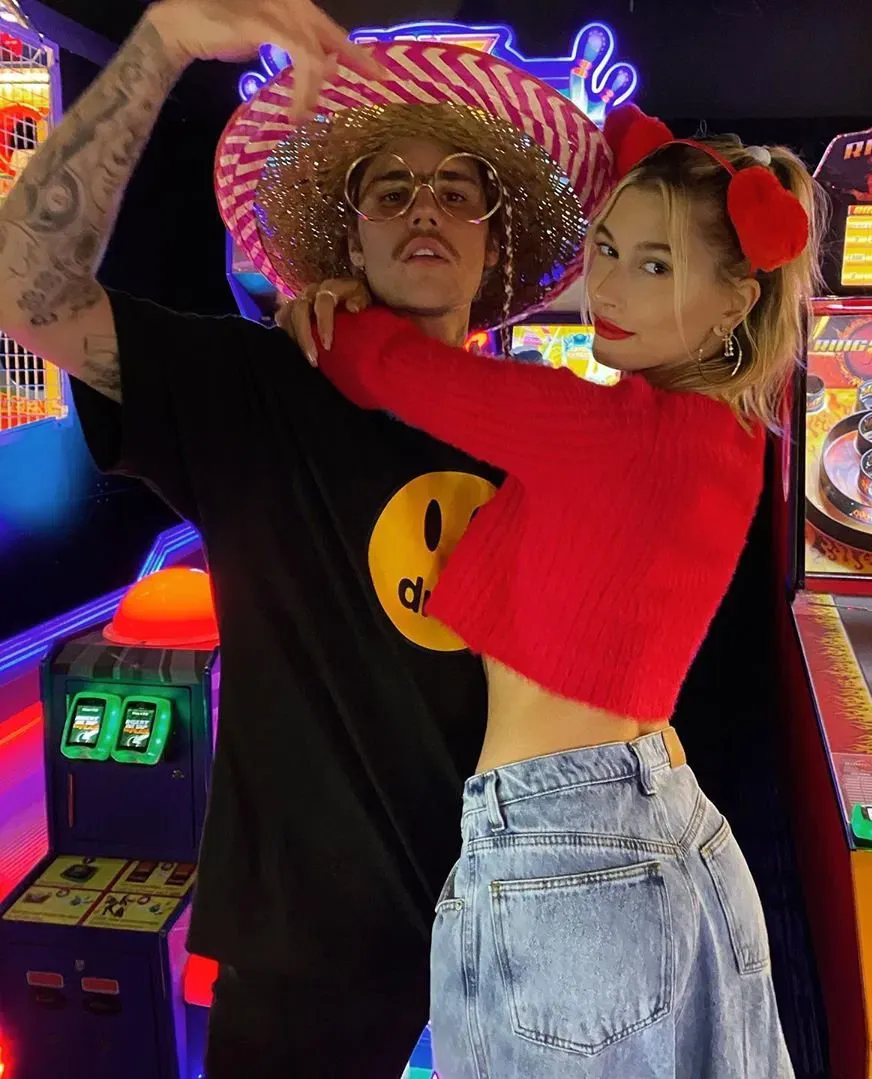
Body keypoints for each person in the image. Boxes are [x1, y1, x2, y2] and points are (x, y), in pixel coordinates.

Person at [0, 1, 611, 1075]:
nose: (425, 210)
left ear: (494, 237)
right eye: (390, 189)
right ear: (351, 235)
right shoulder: (261, 393)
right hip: (307, 956)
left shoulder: (550, 430)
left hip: (515, 935)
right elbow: (23, 287)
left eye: (458, 189)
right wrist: (165, 41)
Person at [284, 103, 821, 1077]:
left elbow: (390, 369)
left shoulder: (603, 432)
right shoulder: (728, 433)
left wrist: (322, 308)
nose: (605, 286)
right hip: (675, 829)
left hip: (560, 855)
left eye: (655, 265)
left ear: (735, 300)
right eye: (606, 248)